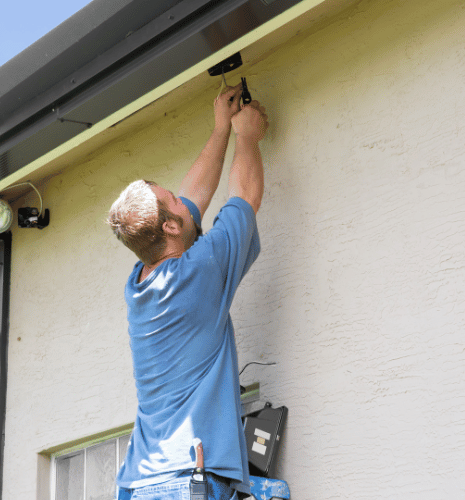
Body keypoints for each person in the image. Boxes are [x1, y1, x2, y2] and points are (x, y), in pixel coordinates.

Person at [107, 83, 269, 500]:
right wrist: (246, 136)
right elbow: (245, 197)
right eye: (171, 200)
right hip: (186, 481)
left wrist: (220, 128)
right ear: (170, 229)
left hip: (138, 483)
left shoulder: (139, 285)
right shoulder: (198, 272)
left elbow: (191, 203)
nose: (182, 198)